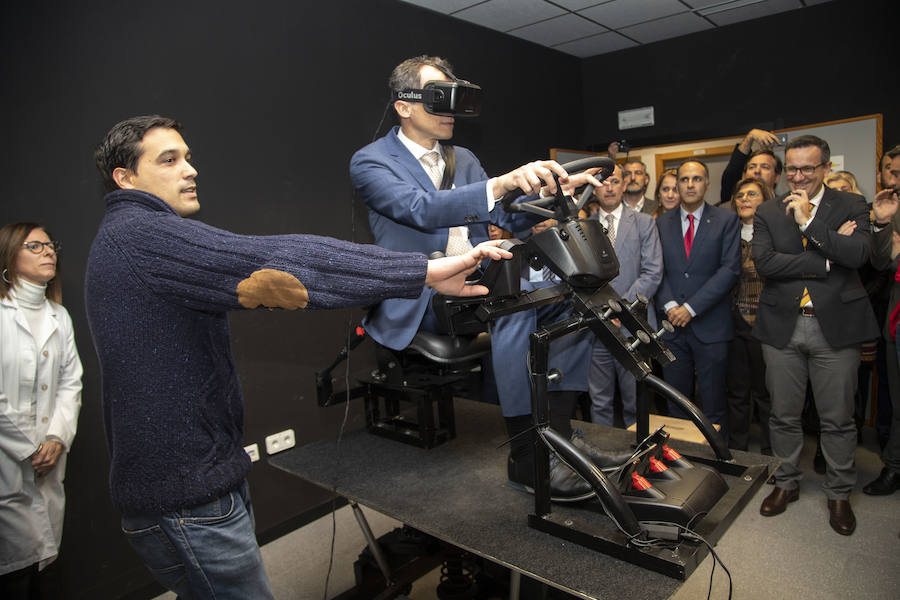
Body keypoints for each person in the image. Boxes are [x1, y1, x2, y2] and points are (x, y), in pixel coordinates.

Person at [85, 115, 514, 599]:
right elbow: (281, 261)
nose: (190, 169)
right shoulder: (142, 236)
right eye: (169, 160)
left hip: (178, 483)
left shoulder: (126, 238)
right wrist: (423, 270)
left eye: (188, 157)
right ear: (126, 178)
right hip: (189, 493)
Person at [350, 56, 605, 502]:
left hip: (477, 278)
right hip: (423, 291)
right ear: (404, 106)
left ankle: (559, 437)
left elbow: (502, 213)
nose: (449, 110)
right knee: (515, 303)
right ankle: (528, 458)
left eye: (454, 98)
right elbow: (420, 209)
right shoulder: (371, 162)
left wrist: (545, 192)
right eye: (438, 98)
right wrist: (504, 183)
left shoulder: (462, 158)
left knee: (570, 296)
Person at [753, 135, 879, 536]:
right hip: (782, 327)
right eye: (791, 168)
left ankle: (839, 492)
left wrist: (810, 222)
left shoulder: (852, 205)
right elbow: (765, 263)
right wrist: (826, 260)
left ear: (825, 167)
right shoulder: (769, 209)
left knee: (838, 418)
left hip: (836, 327)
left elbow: (859, 256)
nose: (799, 177)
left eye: (808, 168)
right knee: (783, 414)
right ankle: (786, 483)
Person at [0, 223, 82, 599]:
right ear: (8, 257)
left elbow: (70, 384)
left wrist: (55, 438)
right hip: (10, 461)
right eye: (35, 246)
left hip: (49, 458)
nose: (49, 251)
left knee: (43, 566)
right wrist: (28, 448)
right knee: (13, 570)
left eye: (51, 245)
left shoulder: (58, 317)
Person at [655, 160, 741, 436]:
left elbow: (729, 270)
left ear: (707, 183)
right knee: (676, 403)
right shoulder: (660, 222)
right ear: (677, 184)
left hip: (711, 326)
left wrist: (690, 308)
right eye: (684, 179)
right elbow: (657, 269)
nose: (690, 185)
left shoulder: (726, 219)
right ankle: (678, 462)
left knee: (713, 402)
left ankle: (717, 462)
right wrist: (670, 306)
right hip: (671, 327)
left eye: (696, 179)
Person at [587, 164, 662, 427]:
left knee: (635, 401)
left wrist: (620, 309)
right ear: (594, 188)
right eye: (603, 182)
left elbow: (652, 272)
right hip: (597, 328)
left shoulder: (644, 223)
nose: (609, 187)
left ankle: (639, 462)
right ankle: (600, 463)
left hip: (634, 328)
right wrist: (604, 311)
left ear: (623, 185)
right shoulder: (582, 228)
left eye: (614, 181)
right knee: (600, 401)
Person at [726, 179, 774, 454]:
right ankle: (739, 450)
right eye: (740, 194)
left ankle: (770, 452)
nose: (744, 199)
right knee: (737, 391)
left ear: (765, 199)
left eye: (752, 194)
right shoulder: (728, 233)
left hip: (766, 323)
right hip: (733, 322)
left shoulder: (775, 234)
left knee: (766, 393)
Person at [866, 144, 900, 495]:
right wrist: (883, 223)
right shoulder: (887, 209)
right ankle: (895, 466)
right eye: (893, 172)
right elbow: (880, 262)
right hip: (896, 318)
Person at [719, 128, 783, 205]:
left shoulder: (785, 208)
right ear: (744, 175)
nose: (757, 171)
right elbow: (732, 173)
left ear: (777, 177)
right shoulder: (735, 206)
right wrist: (750, 137)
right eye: (752, 167)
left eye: (765, 167)